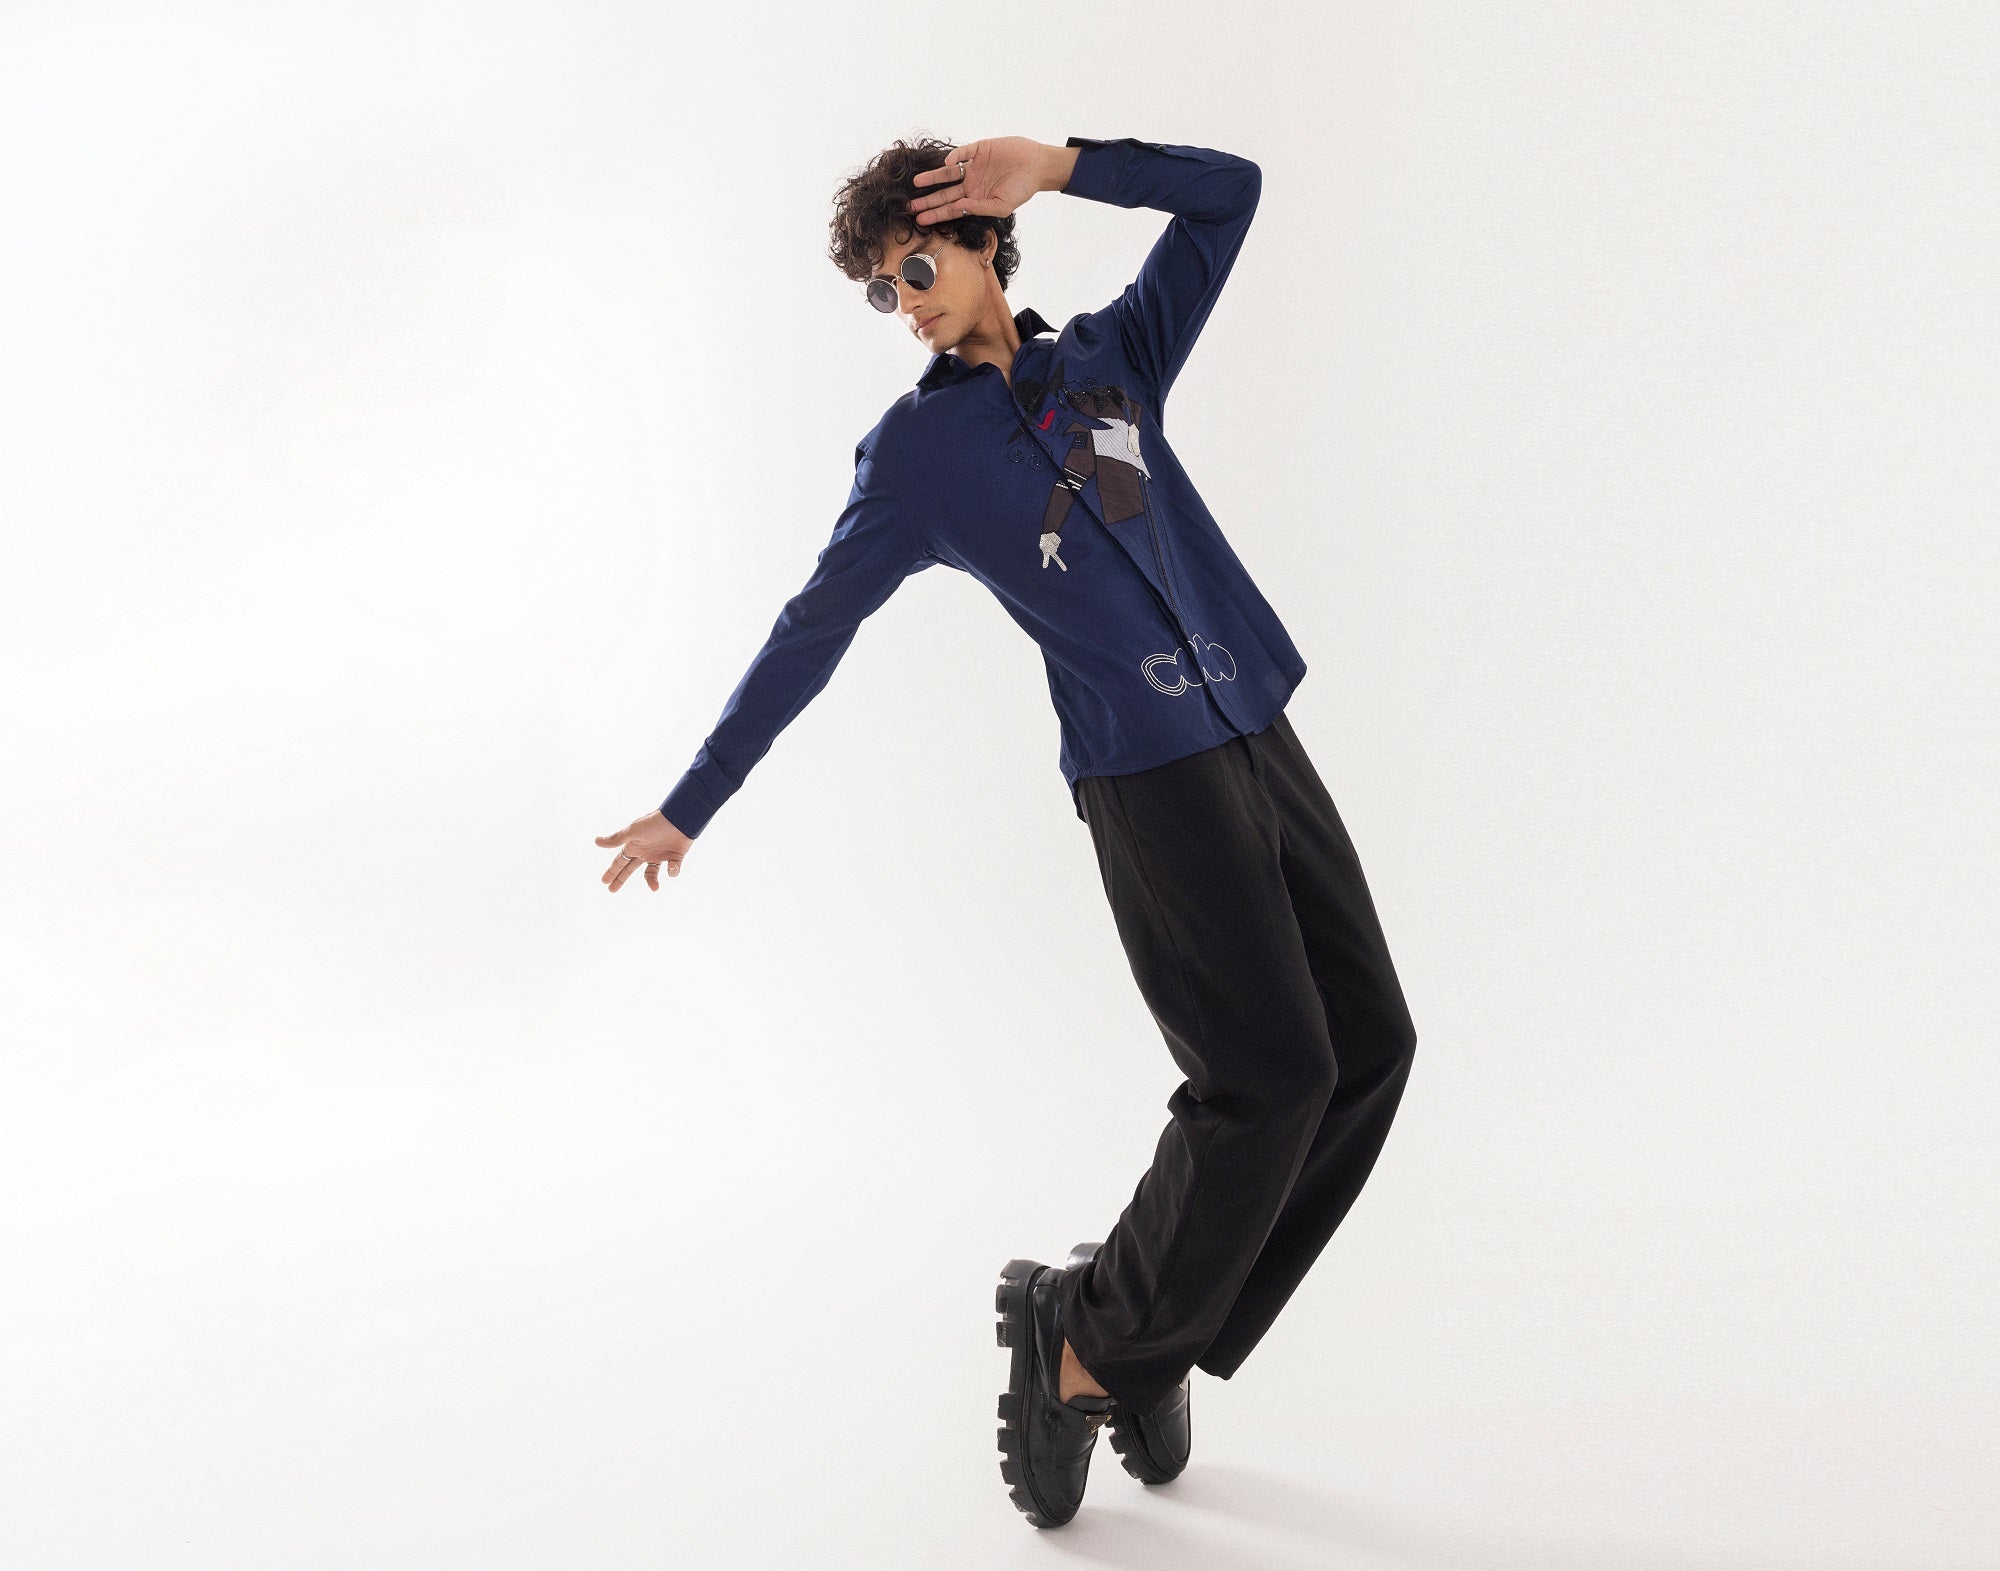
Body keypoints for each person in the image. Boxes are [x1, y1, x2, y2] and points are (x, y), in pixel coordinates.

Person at [595, 134, 1418, 1529]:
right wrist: (693, 799)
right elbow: (812, 628)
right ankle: (1091, 1352)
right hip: (1148, 776)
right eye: (883, 290)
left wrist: (1062, 162)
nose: (905, 304)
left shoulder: (1113, 359)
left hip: (1255, 725)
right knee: (1265, 1079)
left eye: (917, 268)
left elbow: (1232, 194)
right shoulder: (917, 457)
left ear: (983, 243)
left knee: (1368, 1049)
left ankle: (1128, 1327)